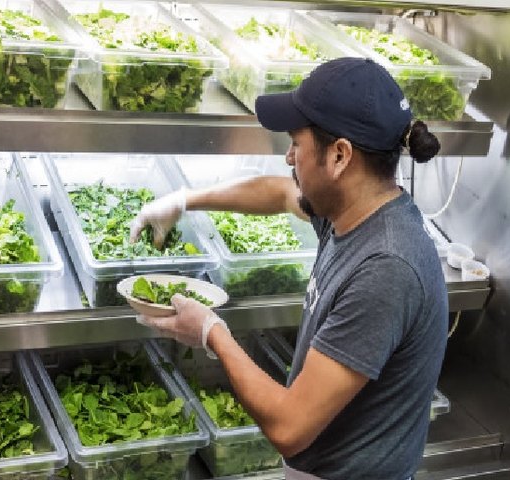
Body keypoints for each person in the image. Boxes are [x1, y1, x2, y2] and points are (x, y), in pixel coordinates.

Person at [130, 57, 448, 480]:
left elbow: (289, 427)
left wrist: (211, 332)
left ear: (339, 156)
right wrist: (184, 200)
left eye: (296, 143)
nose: (288, 157)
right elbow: (280, 193)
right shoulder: (354, 209)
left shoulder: (386, 268)